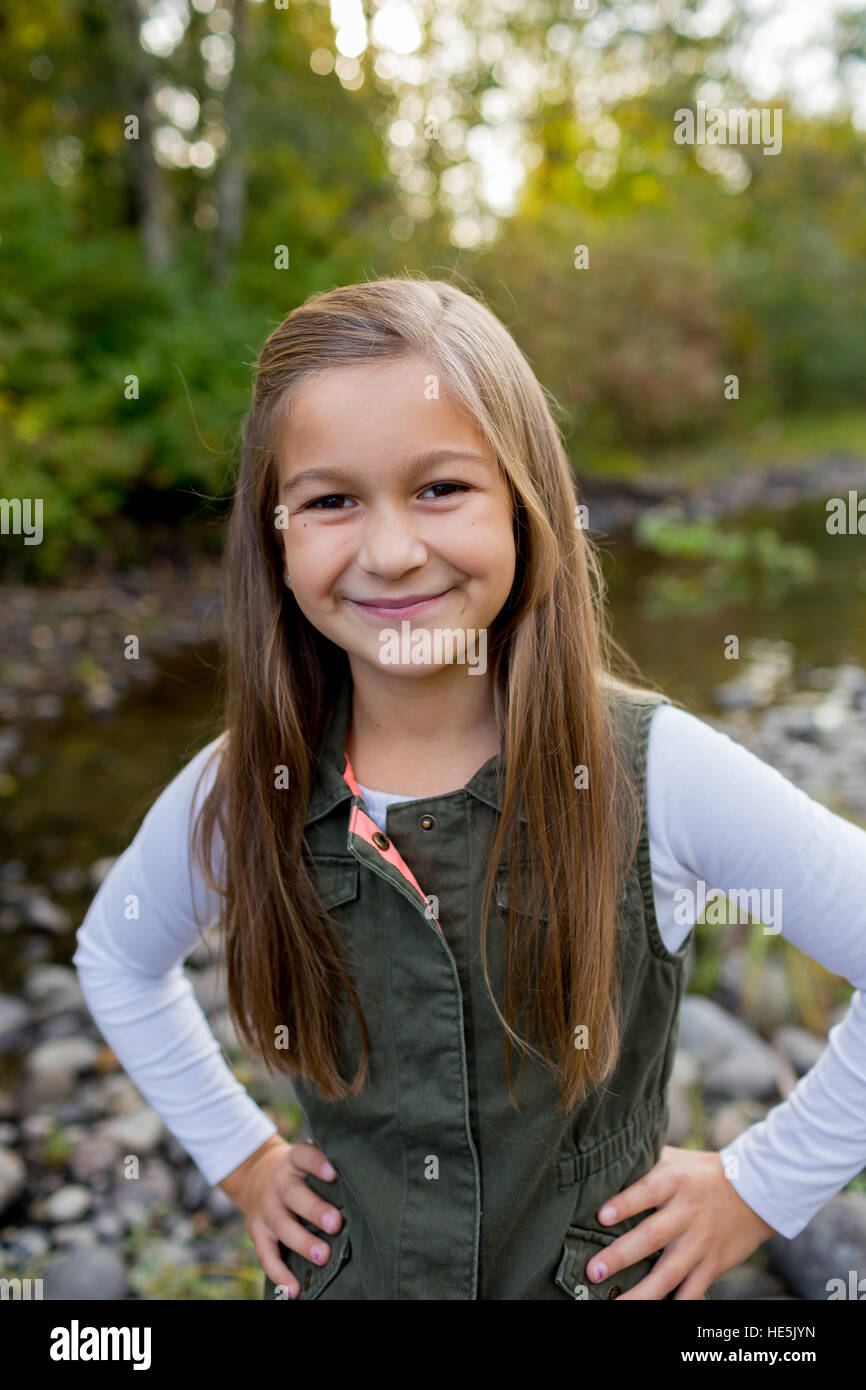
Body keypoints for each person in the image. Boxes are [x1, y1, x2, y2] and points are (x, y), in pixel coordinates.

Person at [73, 276, 866, 1300]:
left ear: (526, 501)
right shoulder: (243, 786)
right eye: (329, 500)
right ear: (273, 535)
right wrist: (244, 1160)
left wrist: (759, 1187)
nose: (391, 551)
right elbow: (115, 956)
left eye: (439, 487)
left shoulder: (656, 772)